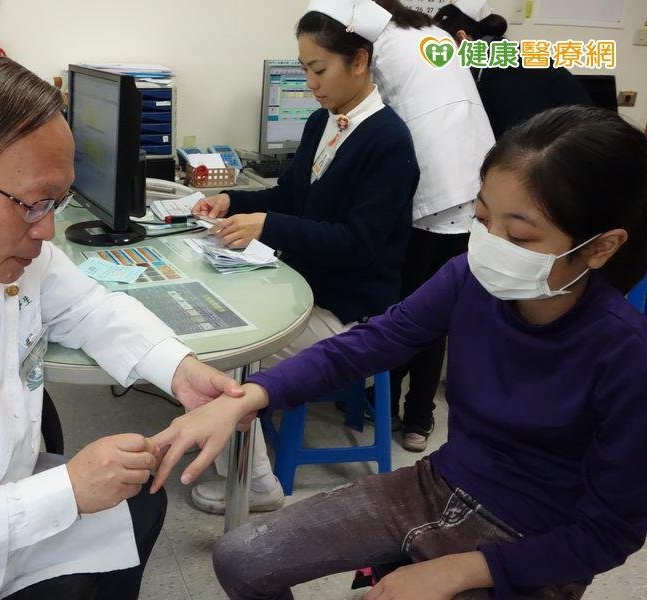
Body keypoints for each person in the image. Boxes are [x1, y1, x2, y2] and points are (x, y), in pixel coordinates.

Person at [150, 106, 647, 599]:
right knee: (240, 558)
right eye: (481, 219)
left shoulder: (625, 353)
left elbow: (607, 534)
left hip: (538, 543)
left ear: (600, 247)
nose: (490, 245)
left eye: (518, 235)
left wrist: (464, 569)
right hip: (441, 485)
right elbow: (372, 342)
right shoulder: (467, 279)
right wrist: (249, 396)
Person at [0, 50, 245, 600]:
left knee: (140, 500)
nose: (47, 231)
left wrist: (178, 368)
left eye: (57, 202)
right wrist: (66, 492)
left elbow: (86, 306)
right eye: (33, 204)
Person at [188, 0, 419, 514]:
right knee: (210, 326)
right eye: (305, 70)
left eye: (319, 69)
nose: (311, 83)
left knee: (220, 360)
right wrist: (232, 200)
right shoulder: (323, 122)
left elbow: (358, 243)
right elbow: (290, 195)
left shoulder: (389, 141)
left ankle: (256, 485)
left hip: (350, 312)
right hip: (302, 287)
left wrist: (268, 225)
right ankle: (239, 450)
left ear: (359, 61)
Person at [368, 0, 496, 452]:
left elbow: (369, 117)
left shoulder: (378, 46)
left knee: (409, 310)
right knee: (439, 309)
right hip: (475, 183)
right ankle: (418, 417)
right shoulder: (432, 33)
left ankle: (386, 405)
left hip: (434, 188)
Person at [434, 0, 593, 139]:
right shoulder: (497, 59)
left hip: (580, 150)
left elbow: (514, 143)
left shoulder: (509, 70)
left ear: (462, 38)